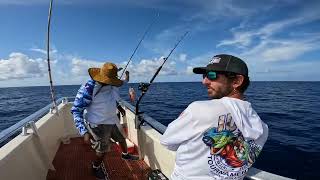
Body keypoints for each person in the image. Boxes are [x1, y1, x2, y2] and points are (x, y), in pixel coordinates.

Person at [160, 54, 268, 180]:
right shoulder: (263, 128)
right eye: (204, 76)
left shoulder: (199, 109)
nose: (204, 81)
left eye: (212, 75)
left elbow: (167, 142)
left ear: (237, 81)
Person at [71, 62, 138, 179]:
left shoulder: (112, 82)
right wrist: (83, 131)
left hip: (111, 119)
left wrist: (127, 76)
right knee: (103, 150)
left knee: (122, 139)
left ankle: (125, 155)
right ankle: (95, 167)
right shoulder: (88, 88)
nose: (113, 83)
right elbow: (76, 110)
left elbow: (123, 82)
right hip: (97, 124)